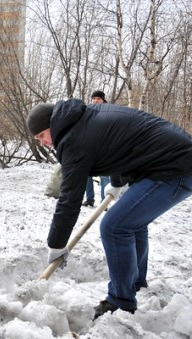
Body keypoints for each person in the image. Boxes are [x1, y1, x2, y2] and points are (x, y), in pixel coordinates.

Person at [26, 98, 192, 320]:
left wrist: (56, 244)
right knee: (131, 223)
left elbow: (69, 199)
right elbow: (118, 143)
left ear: (51, 125)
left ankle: (121, 301)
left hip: (175, 167)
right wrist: (116, 181)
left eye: (41, 136)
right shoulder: (84, 117)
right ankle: (134, 282)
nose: (43, 143)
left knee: (114, 226)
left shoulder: (73, 140)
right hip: (171, 160)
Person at [82, 90, 111, 207]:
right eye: (94, 98)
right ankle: (89, 199)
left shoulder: (109, 111)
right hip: (89, 146)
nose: (95, 100)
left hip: (105, 147)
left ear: (103, 100)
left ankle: (104, 202)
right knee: (87, 174)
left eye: (98, 98)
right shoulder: (87, 111)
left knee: (104, 176)